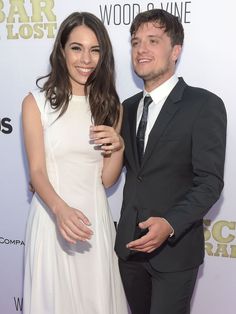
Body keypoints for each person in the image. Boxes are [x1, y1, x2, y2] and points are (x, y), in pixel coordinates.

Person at [115, 9, 227, 314]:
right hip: (128, 250)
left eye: (153, 40)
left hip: (175, 254)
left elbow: (210, 182)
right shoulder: (126, 107)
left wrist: (170, 224)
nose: (141, 49)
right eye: (136, 42)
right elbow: (115, 168)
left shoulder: (204, 104)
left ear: (175, 51)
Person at [22, 12, 128, 314]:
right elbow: (37, 171)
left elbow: (105, 180)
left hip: (94, 223)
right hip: (52, 221)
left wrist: (118, 146)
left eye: (95, 50)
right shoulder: (36, 103)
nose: (86, 59)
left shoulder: (110, 106)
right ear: (62, 51)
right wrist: (61, 211)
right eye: (77, 48)